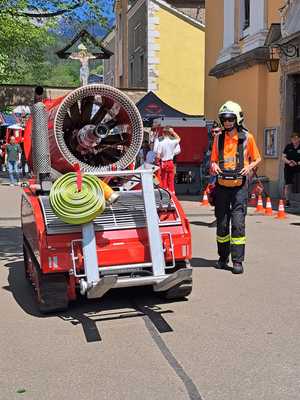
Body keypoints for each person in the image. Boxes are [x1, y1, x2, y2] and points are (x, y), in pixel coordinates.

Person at [210, 101, 261, 274]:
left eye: (230, 119)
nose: (227, 122)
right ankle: (222, 258)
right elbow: (213, 160)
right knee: (222, 225)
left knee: (238, 224)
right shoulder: (218, 138)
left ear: (237, 119)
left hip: (239, 187)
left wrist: (249, 167)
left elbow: (257, 158)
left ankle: (237, 261)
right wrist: (214, 166)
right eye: (224, 119)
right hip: (222, 186)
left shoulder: (248, 137)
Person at [156, 127, 181, 194]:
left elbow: (158, 156)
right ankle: (172, 193)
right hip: (170, 162)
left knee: (163, 179)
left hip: (163, 163)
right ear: (169, 134)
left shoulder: (160, 143)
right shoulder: (172, 142)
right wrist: (173, 132)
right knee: (171, 180)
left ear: (163, 133)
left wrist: (157, 162)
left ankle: (165, 193)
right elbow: (179, 138)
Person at [282, 132, 300, 207]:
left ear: (299, 139)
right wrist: (289, 162)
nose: (294, 140)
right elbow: (283, 157)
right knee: (287, 185)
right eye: (292, 138)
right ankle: (287, 201)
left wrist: (297, 163)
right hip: (288, 168)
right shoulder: (288, 146)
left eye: (296, 138)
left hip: (298, 168)